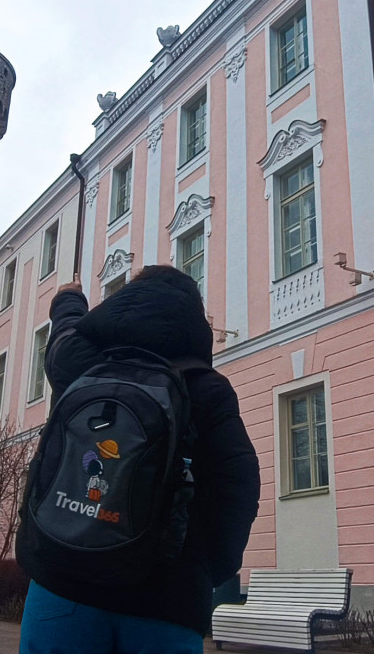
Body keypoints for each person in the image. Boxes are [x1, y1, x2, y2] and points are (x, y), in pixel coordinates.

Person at [18, 265, 260, 654]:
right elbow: (238, 487)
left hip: (62, 580)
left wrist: (68, 299)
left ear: (123, 304)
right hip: (167, 596)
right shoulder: (207, 387)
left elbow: (63, 340)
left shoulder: (84, 366)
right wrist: (202, 569)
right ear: (192, 317)